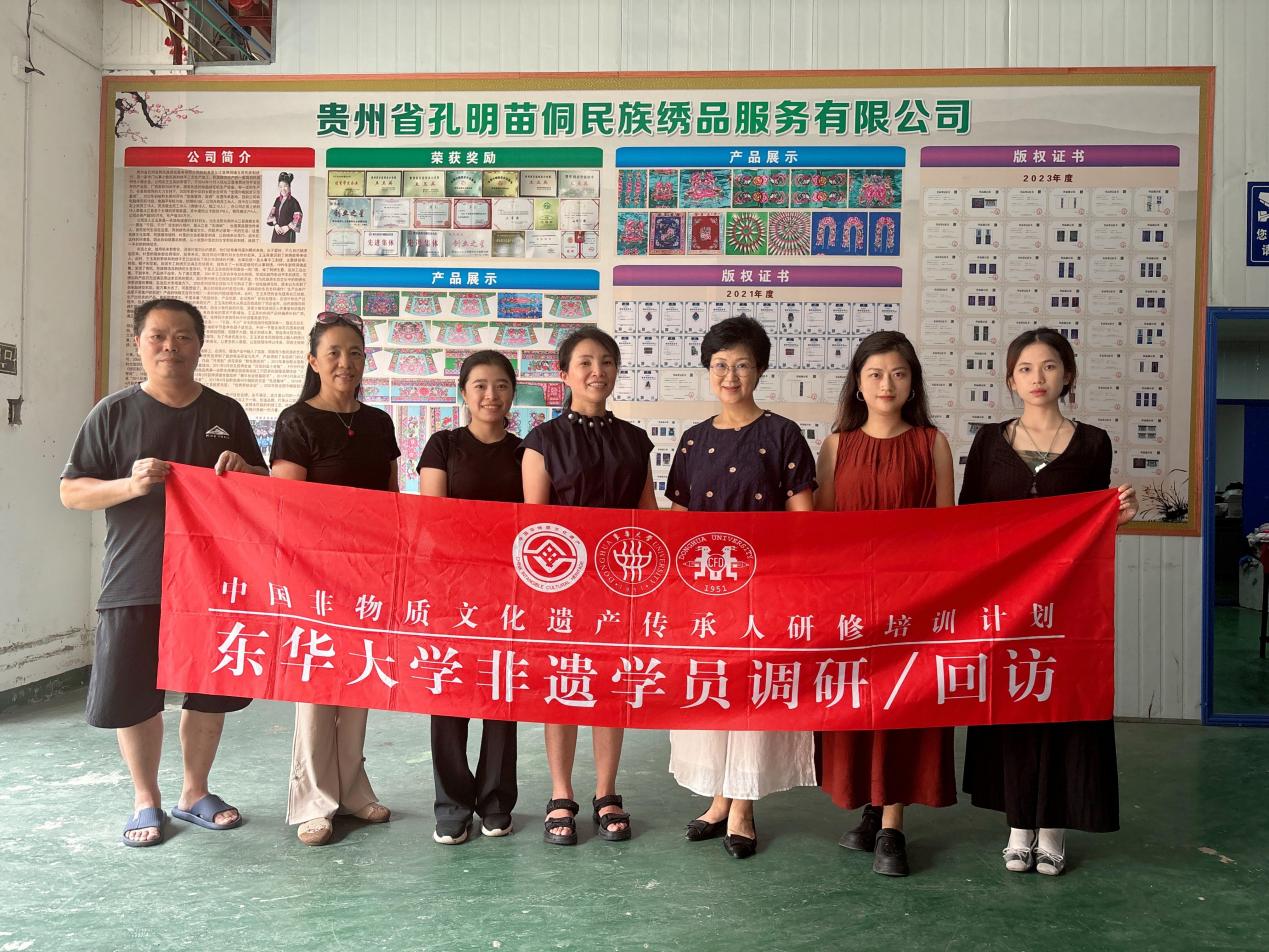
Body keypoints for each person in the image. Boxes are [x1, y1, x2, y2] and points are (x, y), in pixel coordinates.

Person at [60, 298, 267, 847]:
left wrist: (244, 471)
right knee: (135, 693)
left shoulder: (225, 412)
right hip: (136, 575)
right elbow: (72, 491)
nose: (170, 347)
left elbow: (263, 486)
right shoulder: (113, 413)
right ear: (139, 344)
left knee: (209, 690)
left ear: (199, 345)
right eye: (157, 336)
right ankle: (145, 799)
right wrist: (129, 485)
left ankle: (195, 792)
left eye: (182, 337)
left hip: (213, 580)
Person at [959, 327, 1138, 876]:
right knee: (1014, 700)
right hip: (1007, 603)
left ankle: (1055, 824)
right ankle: (1019, 825)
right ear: (1010, 380)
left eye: (1049, 366)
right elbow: (969, 522)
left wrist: (1116, 518)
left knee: (1065, 705)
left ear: (1068, 375)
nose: (1037, 378)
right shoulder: (989, 442)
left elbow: (1087, 528)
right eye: (1025, 368)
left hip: (1069, 602)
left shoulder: (1094, 443)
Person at [666, 317, 817, 860]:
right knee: (712, 686)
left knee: (753, 692)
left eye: (742, 365)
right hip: (705, 591)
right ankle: (717, 797)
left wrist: (785, 580)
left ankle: (744, 807)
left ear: (761, 370)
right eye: (720, 365)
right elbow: (679, 521)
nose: (730, 376)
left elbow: (803, 522)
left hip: (765, 590)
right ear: (708, 371)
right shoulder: (692, 440)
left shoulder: (783, 434)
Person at [813, 330, 956, 877]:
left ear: (912, 382)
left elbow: (948, 530)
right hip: (852, 603)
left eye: (898, 373)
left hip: (913, 602)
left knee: (902, 708)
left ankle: (893, 824)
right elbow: (822, 533)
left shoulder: (932, 443)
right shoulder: (836, 446)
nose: (886, 384)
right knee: (859, 706)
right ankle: (871, 807)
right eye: (875, 374)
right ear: (858, 383)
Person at [520, 328, 657, 846]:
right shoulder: (542, 441)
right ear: (564, 373)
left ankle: (606, 792)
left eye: (607, 361)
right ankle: (561, 794)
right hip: (560, 583)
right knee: (564, 683)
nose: (597, 371)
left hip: (621, 581)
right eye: (585, 362)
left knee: (610, 682)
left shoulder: (635, 441)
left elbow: (649, 516)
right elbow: (535, 527)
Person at [270, 311, 399, 846]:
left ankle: (352, 790)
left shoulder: (379, 423)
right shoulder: (296, 421)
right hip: (315, 574)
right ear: (314, 361)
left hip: (369, 572)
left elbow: (392, 500)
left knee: (359, 677)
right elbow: (287, 505)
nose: (346, 363)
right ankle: (313, 801)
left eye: (355, 353)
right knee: (318, 684)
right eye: (334, 353)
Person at [418, 351, 522, 845]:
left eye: (501, 385)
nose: (490, 395)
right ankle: (452, 804)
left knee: (502, 691)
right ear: (463, 393)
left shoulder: (526, 452)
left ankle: (496, 801)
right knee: (449, 690)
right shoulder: (443, 445)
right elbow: (433, 517)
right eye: (480, 385)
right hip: (451, 586)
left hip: (508, 589)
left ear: (512, 393)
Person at [267, 172, 302, 243]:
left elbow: (298, 217)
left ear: (289, 186)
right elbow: (271, 215)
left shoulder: (293, 201)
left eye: (285, 186)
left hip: (288, 233)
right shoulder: (277, 200)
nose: (283, 189)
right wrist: (275, 225)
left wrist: (288, 227)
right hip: (276, 232)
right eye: (280, 186)